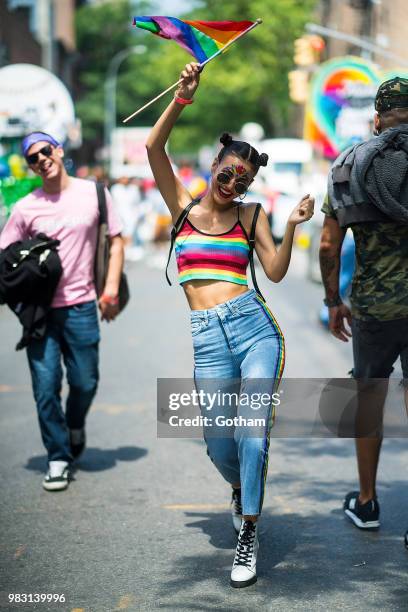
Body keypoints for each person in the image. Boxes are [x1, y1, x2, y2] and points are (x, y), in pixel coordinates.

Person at [146, 62, 314, 587]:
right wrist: (182, 98)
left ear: (249, 182)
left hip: (255, 329)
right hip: (207, 338)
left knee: (252, 434)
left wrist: (288, 226)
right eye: (226, 171)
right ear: (215, 163)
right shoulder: (181, 207)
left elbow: (278, 272)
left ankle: (248, 534)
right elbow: (154, 150)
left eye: (242, 178)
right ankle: (243, 489)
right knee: (219, 442)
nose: (231, 181)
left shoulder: (251, 217)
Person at [0, 131, 124, 492]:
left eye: (45, 151)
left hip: (82, 304)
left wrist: (111, 288)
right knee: (45, 387)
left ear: (58, 149)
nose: (41, 160)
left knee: (85, 382)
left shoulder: (94, 193)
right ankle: (57, 456)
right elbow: (5, 255)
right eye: (33, 158)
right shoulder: (26, 207)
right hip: (38, 311)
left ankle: (74, 425)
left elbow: (116, 240)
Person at [319, 77, 408, 542]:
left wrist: (334, 302)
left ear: (377, 118)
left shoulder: (349, 166)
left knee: (369, 400)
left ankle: (368, 502)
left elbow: (330, 246)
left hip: (373, 308)